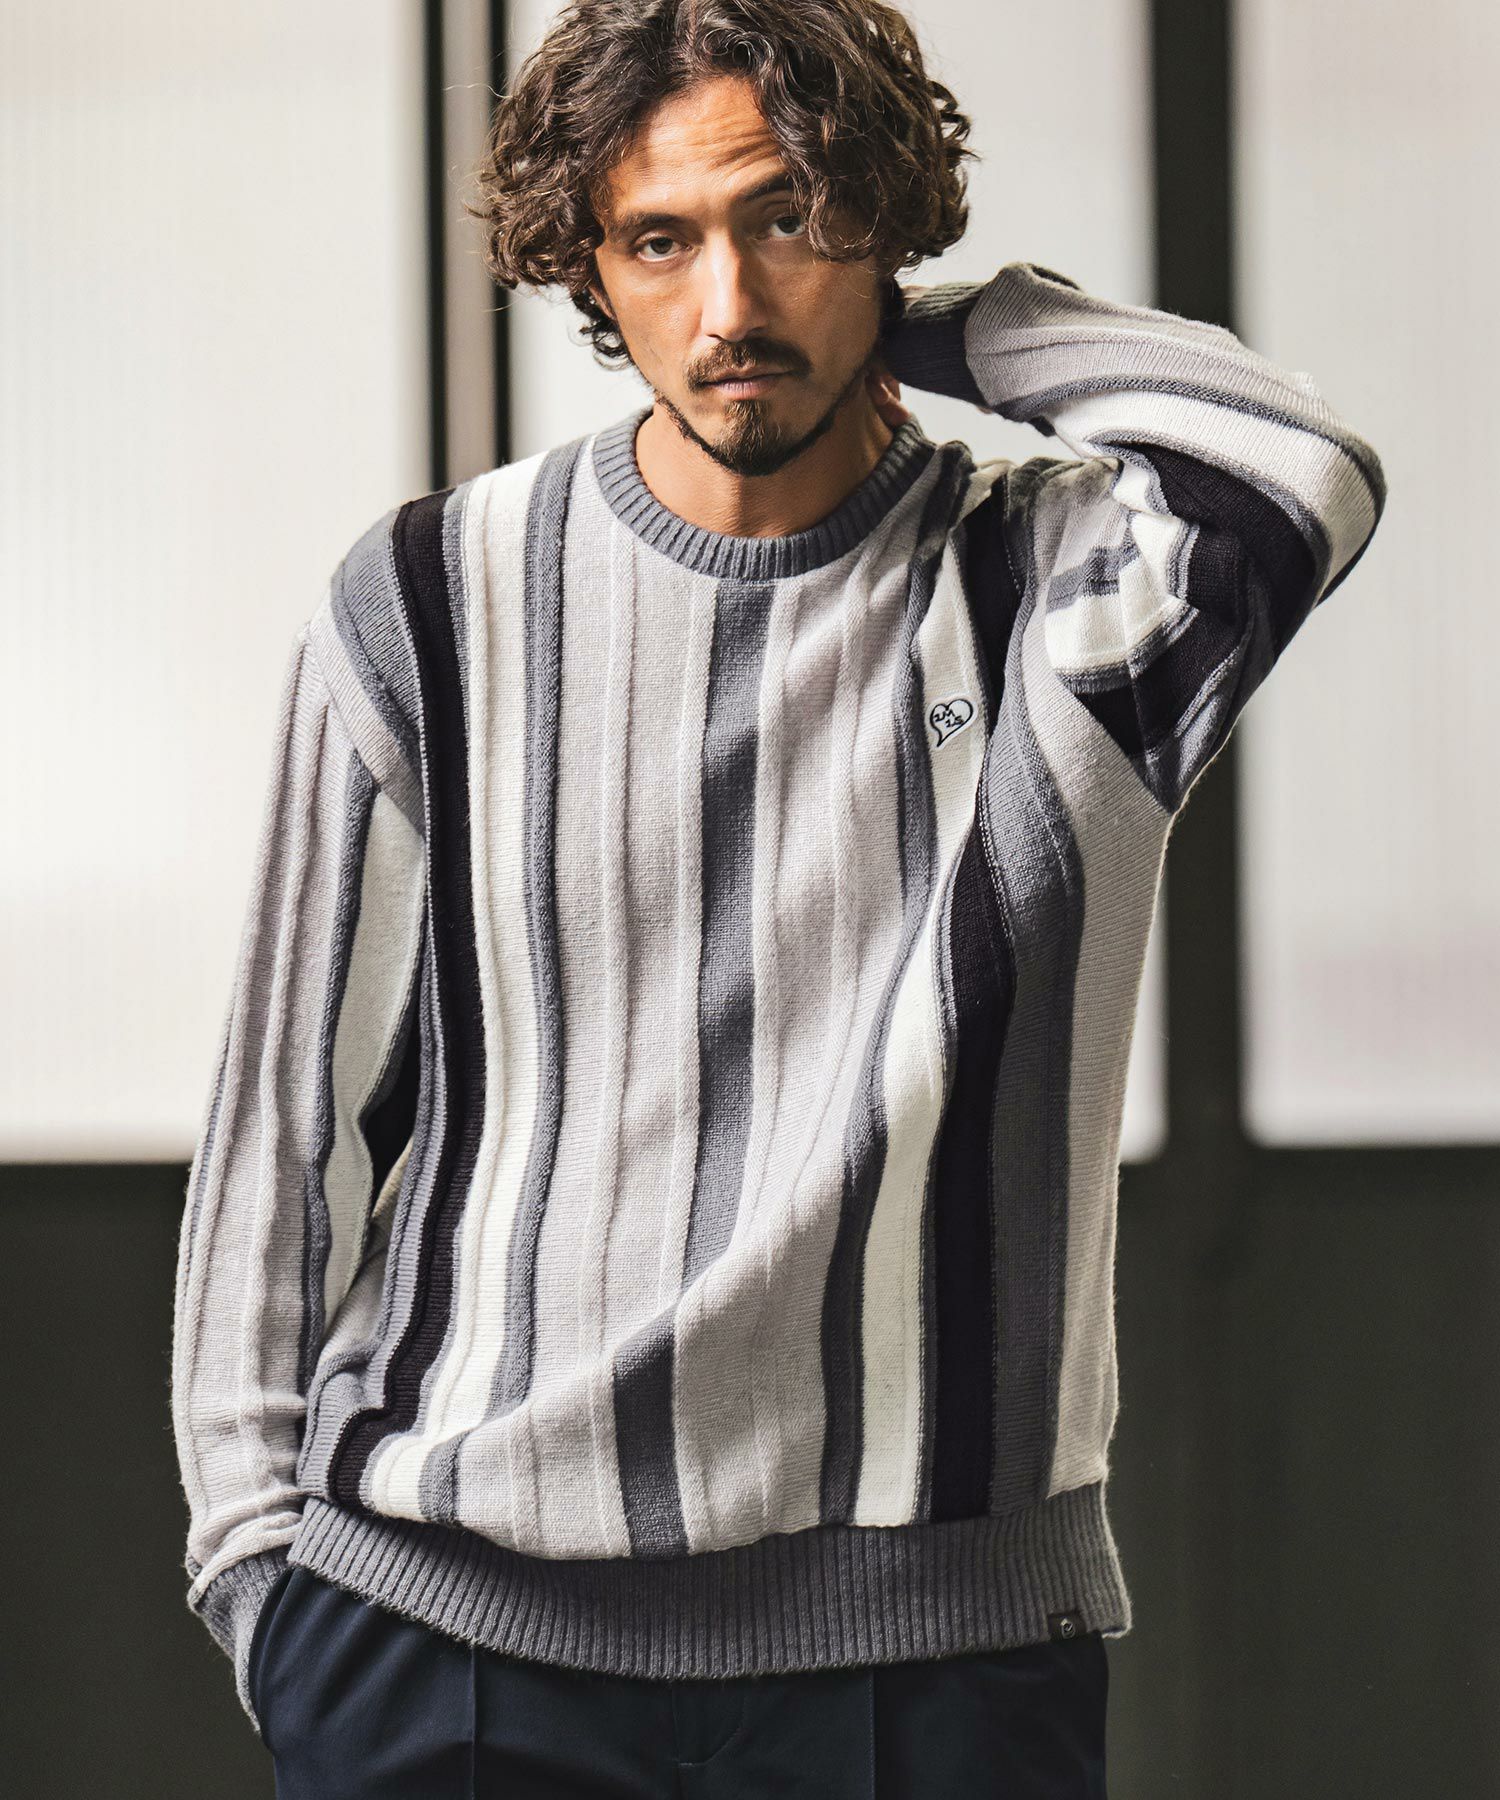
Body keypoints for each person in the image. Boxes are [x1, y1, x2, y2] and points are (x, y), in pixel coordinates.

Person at [169, 1, 1386, 1794]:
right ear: (591, 266)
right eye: (660, 240)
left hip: (933, 1664)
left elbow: (1299, 471)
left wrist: (937, 318)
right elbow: (286, 1124)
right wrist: (258, 1578)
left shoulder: (1054, 590)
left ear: (883, 219)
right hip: (448, 1643)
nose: (729, 304)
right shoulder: (432, 599)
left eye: (792, 216)